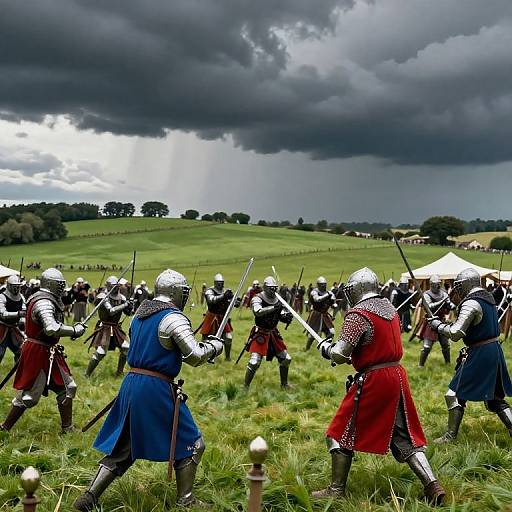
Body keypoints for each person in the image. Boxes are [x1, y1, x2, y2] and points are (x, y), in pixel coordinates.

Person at [73, 269, 224, 511]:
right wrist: (214, 346)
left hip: (132, 384)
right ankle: (185, 500)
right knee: (193, 441)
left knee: (124, 445)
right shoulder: (173, 317)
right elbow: (194, 357)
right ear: (177, 293)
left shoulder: (139, 315)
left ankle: (89, 496)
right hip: (155, 388)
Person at [313, 268, 445, 504]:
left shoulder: (357, 315)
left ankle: (336, 490)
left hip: (374, 380)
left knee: (338, 433)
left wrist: (326, 349)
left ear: (355, 290)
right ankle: (432, 485)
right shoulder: (390, 310)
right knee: (405, 438)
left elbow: (341, 354)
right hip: (396, 377)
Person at [428, 268, 512, 443]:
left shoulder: (471, 302)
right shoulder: (487, 298)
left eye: (458, 286)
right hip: (493, 350)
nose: (457, 290)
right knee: (495, 399)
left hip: (481, 352)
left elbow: (456, 333)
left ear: (466, 284)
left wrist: (437, 325)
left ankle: (450, 436)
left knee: (453, 394)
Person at [0, 268, 86, 433]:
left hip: (49, 351)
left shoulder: (47, 299)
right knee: (30, 396)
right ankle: (5, 427)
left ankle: (67, 429)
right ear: (51, 284)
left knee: (69, 388)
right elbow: (51, 328)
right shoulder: (43, 301)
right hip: (38, 352)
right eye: (59, 284)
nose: (62, 287)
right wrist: (74, 330)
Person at [243, 276, 293, 388]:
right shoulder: (258, 298)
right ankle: (245, 387)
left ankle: (284, 385)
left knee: (286, 359)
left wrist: (286, 317)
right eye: (271, 288)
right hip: (260, 332)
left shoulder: (278, 299)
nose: (273, 290)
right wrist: (274, 307)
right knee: (254, 362)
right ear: (265, 287)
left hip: (273, 333)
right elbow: (257, 311)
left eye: (275, 288)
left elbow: (280, 314)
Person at [84, 276, 133, 378]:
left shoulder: (121, 297)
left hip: (115, 327)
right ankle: (87, 374)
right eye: (114, 286)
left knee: (126, 348)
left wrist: (130, 306)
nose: (117, 288)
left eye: (118, 286)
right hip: (104, 327)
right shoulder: (103, 296)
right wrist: (125, 305)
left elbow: (128, 313)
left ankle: (119, 373)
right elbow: (111, 311)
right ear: (109, 286)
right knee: (101, 352)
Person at [199, 273, 240, 361]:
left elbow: (230, 302)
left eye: (221, 282)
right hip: (211, 317)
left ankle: (227, 358)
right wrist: (224, 296)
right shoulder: (209, 291)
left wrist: (235, 302)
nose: (220, 284)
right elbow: (211, 300)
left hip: (223, 318)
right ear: (215, 282)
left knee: (228, 338)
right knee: (207, 340)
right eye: (218, 282)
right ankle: (206, 357)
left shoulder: (225, 292)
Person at [418, 275, 455, 368]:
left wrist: (451, 306)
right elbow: (429, 306)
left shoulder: (444, 293)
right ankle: (421, 365)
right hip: (431, 321)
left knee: (445, 345)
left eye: (439, 284)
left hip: (441, 321)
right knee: (427, 347)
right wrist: (442, 301)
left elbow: (448, 304)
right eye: (436, 284)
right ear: (431, 284)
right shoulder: (426, 295)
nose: (438, 286)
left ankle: (447, 364)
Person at [305, 276, 336, 351]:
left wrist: (333, 302)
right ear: (318, 284)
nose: (323, 285)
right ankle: (307, 349)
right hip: (316, 314)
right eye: (322, 284)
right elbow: (317, 299)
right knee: (313, 335)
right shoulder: (314, 292)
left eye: (324, 284)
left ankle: (326, 348)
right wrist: (328, 295)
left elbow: (334, 304)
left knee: (331, 332)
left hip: (325, 315)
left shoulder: (329, 292)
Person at [0, 275, 26, 363]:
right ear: (9, 285)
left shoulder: (21, 297)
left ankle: (20, 374)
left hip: (14, 328)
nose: (16, 289)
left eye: (18, 286)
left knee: (21, 351)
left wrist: (22, 321)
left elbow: (24, 311)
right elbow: (2, 314)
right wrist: (18, 314)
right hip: (1, 328)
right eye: (14, 286)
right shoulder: (2, 296)